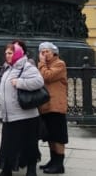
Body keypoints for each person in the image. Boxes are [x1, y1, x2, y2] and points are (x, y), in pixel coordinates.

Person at [0, 43, 44, 176]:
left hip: (25, 115)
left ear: (17, 53)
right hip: (9, 115)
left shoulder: (27, 66)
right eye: (6, 53)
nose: (7, 56)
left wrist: (20, 82)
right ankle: (7, 169)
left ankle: (31, 169)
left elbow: (39, 81)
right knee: (8, 144)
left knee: (28, 144)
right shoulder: (8, 68)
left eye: (10, 53)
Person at [38, 42, 68, 174]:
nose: (45, 54)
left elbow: (47, 76)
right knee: (50, 135)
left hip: (56, 106)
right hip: (46, 106)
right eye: (42, 52)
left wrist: (41, 63)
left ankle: (59, 164)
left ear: (54, 52)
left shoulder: (59, 64)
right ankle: (53, 160)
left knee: (58, 137)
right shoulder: (45, 65)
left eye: (47, 52)